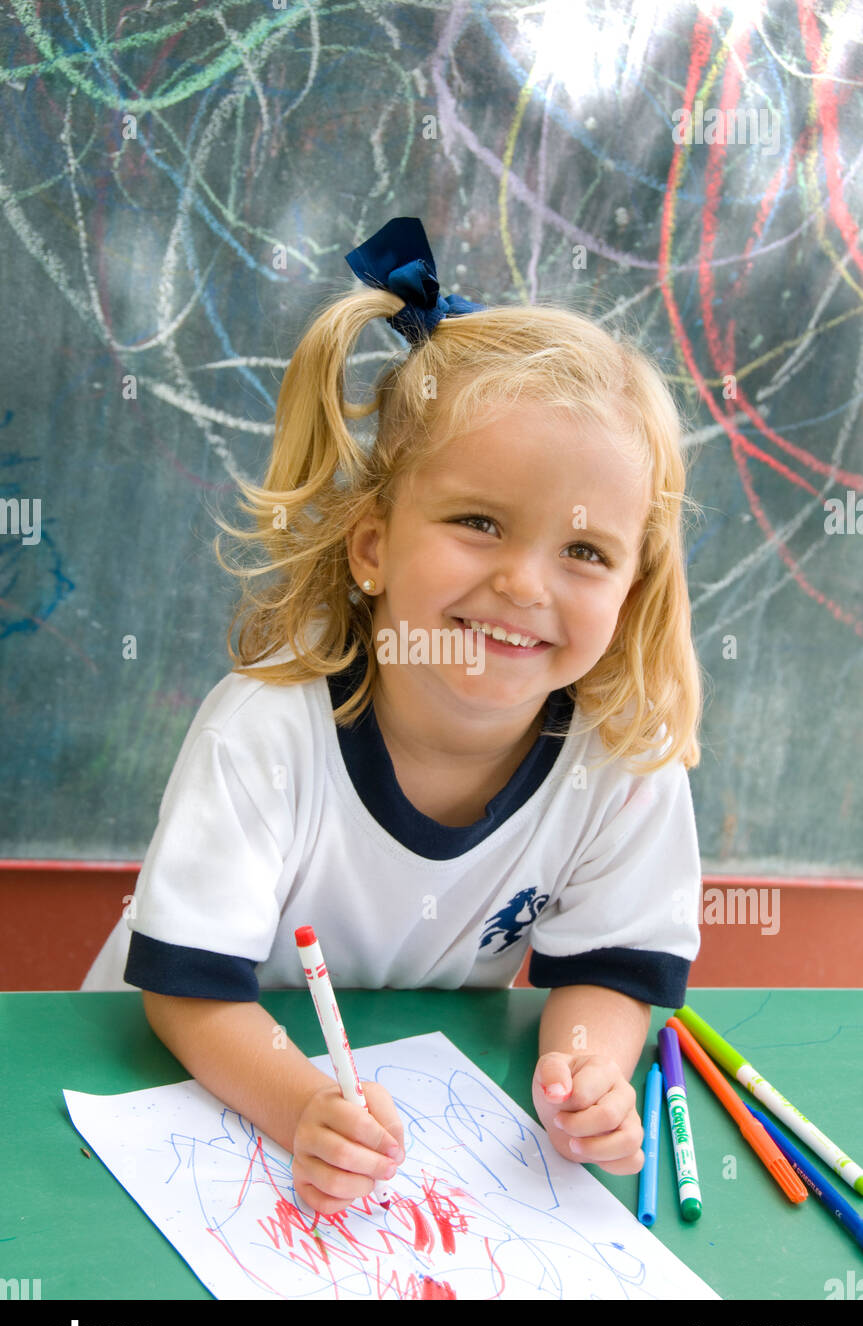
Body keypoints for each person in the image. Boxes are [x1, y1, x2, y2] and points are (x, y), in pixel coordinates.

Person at [83, 217, 704, 1218]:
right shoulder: (266, 732)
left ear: (632, 591)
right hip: (157, 1100)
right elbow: (185, 992)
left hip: (400, 1132)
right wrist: (300, 1107)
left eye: (583, 553)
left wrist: (583, 1071)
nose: (521, 583)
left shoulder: (623, 765)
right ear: (371, 547)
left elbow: (608, 971)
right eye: (477, 522)